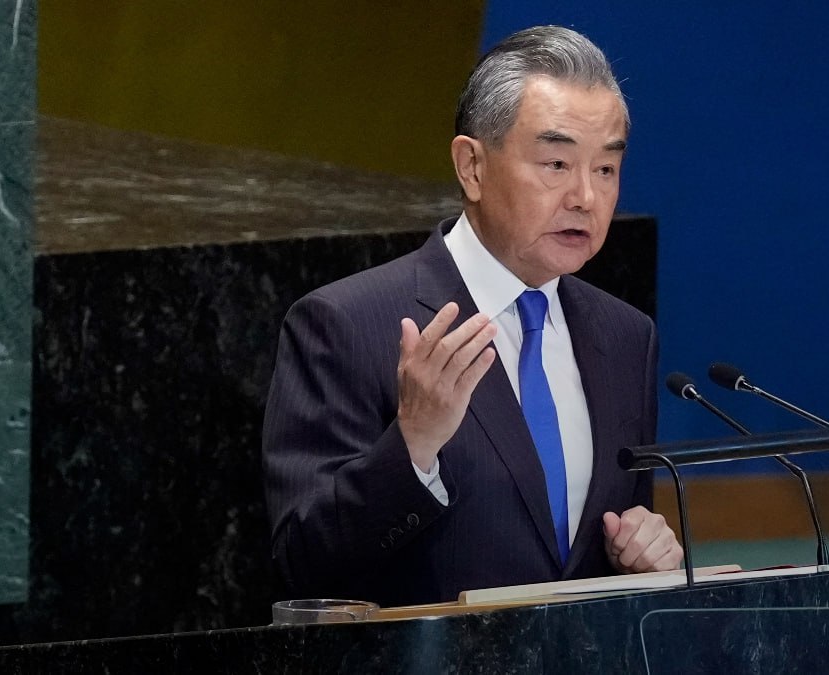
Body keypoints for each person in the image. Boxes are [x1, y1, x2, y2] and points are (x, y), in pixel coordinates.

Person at [262, 25, 682, 607]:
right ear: (472, 167)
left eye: (606, 169)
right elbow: (302, 562)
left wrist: (643, 554)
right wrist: (413, 446)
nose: (586, 197)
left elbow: (605, 540)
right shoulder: (345, 324)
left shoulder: (626, 336)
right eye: (556, 163)